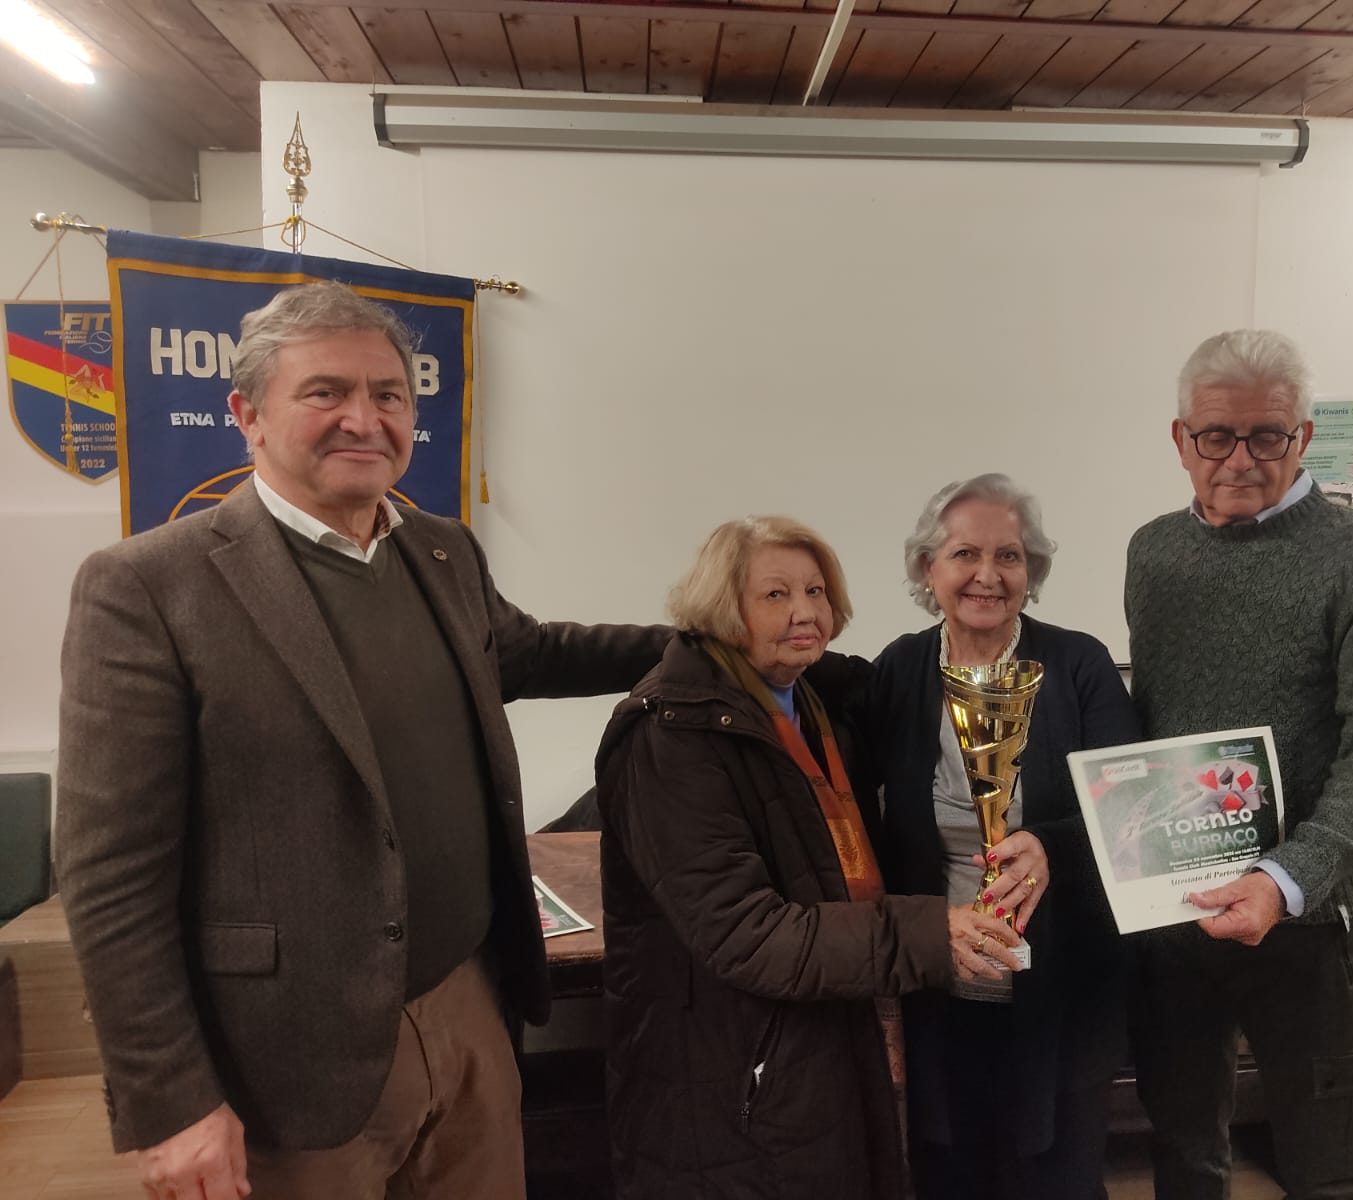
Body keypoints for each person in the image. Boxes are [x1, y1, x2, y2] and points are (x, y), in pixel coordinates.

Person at [53, 281, 669, 1200]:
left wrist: (708, 642)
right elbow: (110, 876)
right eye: (325, 392)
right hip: (288, 1056)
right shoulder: (148, 587)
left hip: (469, 1001)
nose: (364, 418)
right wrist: (170, 1100)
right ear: (247, 416)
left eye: (388, 394)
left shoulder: (440, 549)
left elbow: (529, 651)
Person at [596, 516, 1020, 1199]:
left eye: (816, 591)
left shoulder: (816, 703)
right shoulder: (671, 735)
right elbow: (747, 933)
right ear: (722, 608)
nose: (805, 612)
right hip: (730, 1077)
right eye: (775, 595)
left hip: (822, 1044)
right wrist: (927, 932)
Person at [1124, 330, 1353, 1199]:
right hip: (1177, 913)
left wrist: (1285, 880)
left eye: (1268, 436)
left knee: (1331, 1172)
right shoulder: (1153, 551)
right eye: (1217, 436)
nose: (1240, 459)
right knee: (1184, 1154)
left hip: (1313, 920)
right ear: (1181, 439)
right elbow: (1155, 724)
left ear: (1303, 437)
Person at [870, 473, 1143, 1200]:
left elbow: (1132, 806)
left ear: (1032, 571)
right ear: (928, 568)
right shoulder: (899, 669)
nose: (987, 575)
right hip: (940, 983)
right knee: (949, 1171)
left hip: (1063, 983)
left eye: (1009, 556)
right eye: (965, 554)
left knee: (1057, 1178)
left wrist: (1053, 846)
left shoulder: (1079, 664)